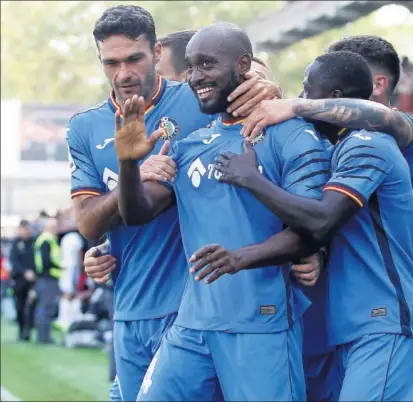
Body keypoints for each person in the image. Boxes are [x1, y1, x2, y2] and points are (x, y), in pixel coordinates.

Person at [68, 6, 281, 401]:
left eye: (134, 58)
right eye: (111, 63)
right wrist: (134, 172)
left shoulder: (197, 100)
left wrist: (268, 88)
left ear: (157, 51)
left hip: (197, 302)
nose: (124, 73)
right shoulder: (85, 127)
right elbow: (88, 223)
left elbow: (257, 94)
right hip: (131, 305)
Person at [238, 35, 413, 402]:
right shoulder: (336, 143)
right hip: (359, 312)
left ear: (374, 85)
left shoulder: (392, 132)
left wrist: (295, 105)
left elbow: (327, 214)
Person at [114, 22, 330, 401]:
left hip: (261, 323)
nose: (196, 77)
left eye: (208, 65)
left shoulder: (292, 135)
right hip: (191, 325)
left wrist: (239, 259)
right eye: (191, 68)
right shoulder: (190, 144)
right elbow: (137, 214)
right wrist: (129, 164)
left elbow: (314, 226)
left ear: (243, 64)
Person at [33, 217, 62, 344]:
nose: (56, 229)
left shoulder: (44, 239)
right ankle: (44, 337)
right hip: (48, 278)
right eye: (53, 226)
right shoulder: (47, 240)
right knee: (46, 308)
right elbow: (46, 261)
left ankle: (43, 336)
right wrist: (61, 267)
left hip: (45, 278)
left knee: (44, 308)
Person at [9, 219, 37, 341]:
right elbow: (13, 261)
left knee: (31, 306)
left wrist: (33, 273)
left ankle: (28, 331)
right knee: (19, 306)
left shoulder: (35, 242)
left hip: (33, 280)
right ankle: (21, 330)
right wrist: (24, 272)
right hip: (19, 280)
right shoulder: (15, 243)